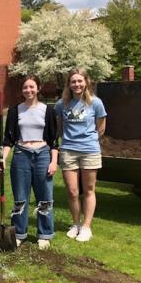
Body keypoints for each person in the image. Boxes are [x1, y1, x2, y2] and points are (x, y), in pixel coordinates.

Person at [0, 75, 58, 249]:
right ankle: (19, 232)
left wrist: (53, 162)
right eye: (25, 87)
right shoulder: (14, 111)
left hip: (42, 155)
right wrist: (3, 158)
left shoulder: (48, 111)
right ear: (22, 90)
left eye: (32, 87)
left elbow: (54, 140)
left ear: (38, 88)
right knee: (20, 197)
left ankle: (44, 234)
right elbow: (8, 139)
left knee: (45, 197)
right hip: (21, 155)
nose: (28, 90)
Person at [55, 68, 107, 242]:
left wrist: (88, 140)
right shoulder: (61, 104)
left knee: (89, 190)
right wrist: (69, 140)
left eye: (80, 81)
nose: (77, 84)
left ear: (86, 82)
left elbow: (101, 128)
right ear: (69, 84)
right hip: (69, 150)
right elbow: (59, 128)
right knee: (72, 191)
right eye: (73, 81)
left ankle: (86, 227)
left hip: (89, 150)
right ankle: (76, 224)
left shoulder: (96, 103)